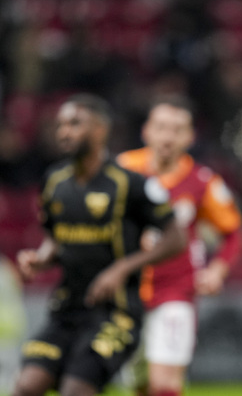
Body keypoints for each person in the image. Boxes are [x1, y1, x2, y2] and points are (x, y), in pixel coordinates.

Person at [12, 94, 186, 396]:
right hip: (66, 310)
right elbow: (55, 238)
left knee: (74, 391)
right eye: (61, 125)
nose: (64, 132)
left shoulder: (131, 183)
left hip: (116, 313)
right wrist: (41, 259)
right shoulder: (54, 181)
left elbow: (176, 238)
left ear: (100, 130)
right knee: (26, 386)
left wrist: (122, 268)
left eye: (74, 124)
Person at [117, 96, 242, 396]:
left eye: (177, 130)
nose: (168, 137)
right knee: (139, 384)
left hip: (175, 290)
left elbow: (233, 233)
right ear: (146, 131)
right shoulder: (122, 170)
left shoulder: (202, 181)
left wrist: (216, 270)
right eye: (161, 128)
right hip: (125, 292)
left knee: (164, 384)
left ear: (190, 136)